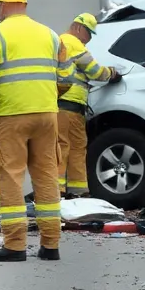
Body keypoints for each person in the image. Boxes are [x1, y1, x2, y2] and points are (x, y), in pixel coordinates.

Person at [0, 0, 74, 262]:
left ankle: (15, 245)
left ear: (1, 5)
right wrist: (50, 95)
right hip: (46, 115)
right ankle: (50, 245)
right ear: (25, 4)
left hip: (9, 116)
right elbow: (67, 77)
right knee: (47, 177)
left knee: (10, 177)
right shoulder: (51, 35)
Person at [57, 13, 122, 198]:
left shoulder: (62, 42)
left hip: (71, 106)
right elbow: (94, 71)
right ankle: (59, 192)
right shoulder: (71, 42)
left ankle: (76, 190)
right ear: (78, 27)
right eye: (89, 33)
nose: (90, 39)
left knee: (74, 147)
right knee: (65, 147)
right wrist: (111, 74)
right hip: (66, 104)